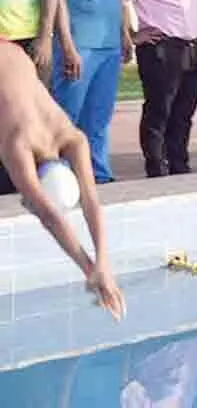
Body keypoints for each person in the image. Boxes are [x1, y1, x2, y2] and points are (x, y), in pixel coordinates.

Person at [0, 39, 125, 319]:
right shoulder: (20, 144)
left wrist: (102, 264)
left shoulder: (71, 137)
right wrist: (90, 267)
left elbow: (90, 201)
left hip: (13, 50)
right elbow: (50, 215)